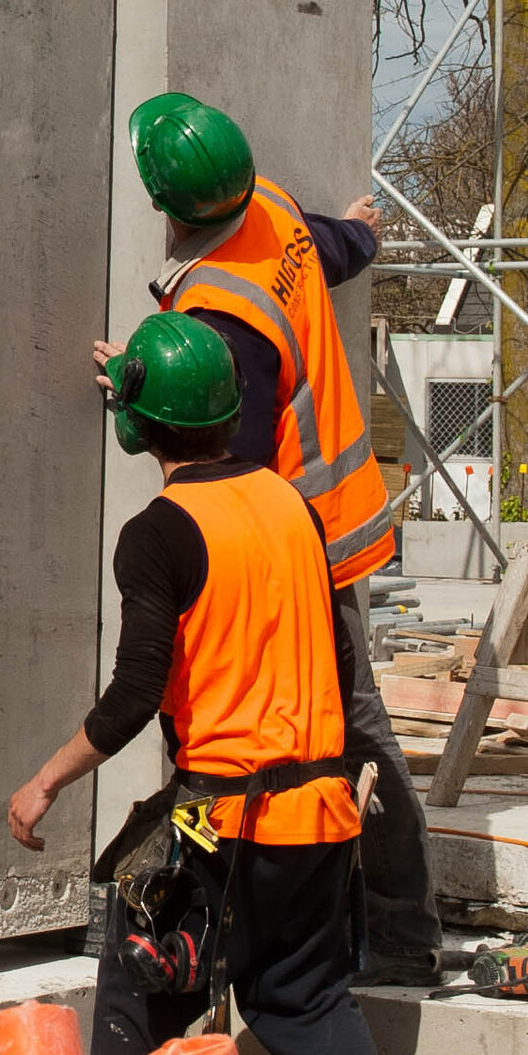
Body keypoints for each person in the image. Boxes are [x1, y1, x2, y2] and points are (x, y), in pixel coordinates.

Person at [11, 314, 424, 1055]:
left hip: (228, 824)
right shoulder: (290, 505)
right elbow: (342, 661)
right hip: (319, 816)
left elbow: (131, 698)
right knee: (302, 993)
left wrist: (44, 779)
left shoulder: (159, 531)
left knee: (141, 973)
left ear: (135, 426)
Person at [120, 91, 440, 985]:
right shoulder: (266, 204)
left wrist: (142, 398)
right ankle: (366, 928)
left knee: (352, 737)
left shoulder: (222, 312)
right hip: (333, 518)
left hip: (299, 544)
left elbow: (227, 458)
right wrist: (362, 230)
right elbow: (328, 249)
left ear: (167, 205)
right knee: (346, 731)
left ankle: (402, 937)